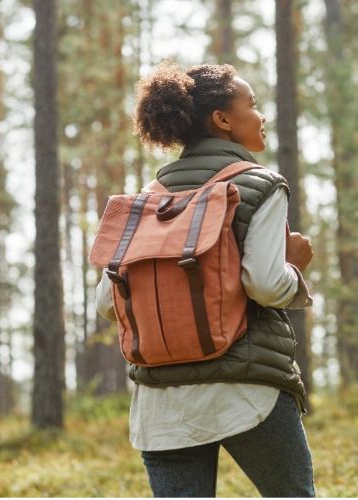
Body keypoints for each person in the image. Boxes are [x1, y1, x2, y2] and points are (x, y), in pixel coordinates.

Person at [95, 60, 316, 498]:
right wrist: (295, 266)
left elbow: (107, 302)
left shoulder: (146, 202)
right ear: (222, 120)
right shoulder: (259, 185)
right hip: (246, 390)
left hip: (162, 404)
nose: (261, 115)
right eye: (251, 104)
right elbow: (267, 286)